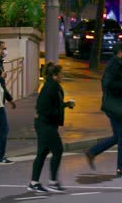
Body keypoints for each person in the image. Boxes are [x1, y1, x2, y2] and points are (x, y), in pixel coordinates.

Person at [27, 62, 76, 193]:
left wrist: (65, 105)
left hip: (46, 123)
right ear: (54, 75)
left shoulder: (52, 86)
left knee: (42, 153)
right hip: (45, 124)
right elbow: (45, 109)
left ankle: (34, 183)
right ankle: (52, 182)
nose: (62, 76)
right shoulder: (50, 88)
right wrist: (61, 108)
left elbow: (53, 106)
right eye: (61, 74)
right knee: (58, 150)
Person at [85, 42, 122, 176]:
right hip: (113, 104)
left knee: (119, 135)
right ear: (120, 52)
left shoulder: (119, 64)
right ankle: (120, 167)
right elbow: (106, 84)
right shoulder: (113, 65)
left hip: (116, 103)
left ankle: (93, 152)